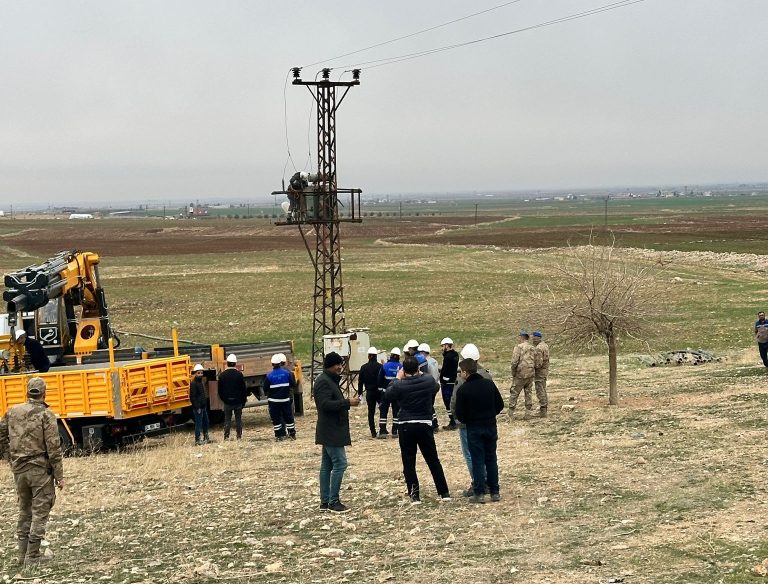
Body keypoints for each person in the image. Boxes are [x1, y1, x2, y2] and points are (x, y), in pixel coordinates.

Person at [0, 377, 64, 566]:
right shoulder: (46, 415)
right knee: (40, 511)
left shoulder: (12, 412)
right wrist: (59, 476)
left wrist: (9, 456)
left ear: (27, 392)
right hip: (40, 470)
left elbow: (1, 435)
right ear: (44, 393)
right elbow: (54, 447)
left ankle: (22, 555)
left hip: (19, 470)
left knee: (24, 511)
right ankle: (33, 556)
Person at [385, 356, 450, 502]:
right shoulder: (427, 381)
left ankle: (415, 496)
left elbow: (388, 394)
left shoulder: (399, 385)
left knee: (409, 461)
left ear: (403, 370)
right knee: (432, 459)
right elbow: (436, 387)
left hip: (406, 424)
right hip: (424, 423)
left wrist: (397, 378)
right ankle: (444, 492)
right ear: (419, 368)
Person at [314, 352, 360, 512]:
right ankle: (333, 501)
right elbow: (325, 404)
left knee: (327, 465)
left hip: (331, 429)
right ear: (330, 365)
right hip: (330, 430)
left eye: (341, 364)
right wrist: (347, 402)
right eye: (337, 364)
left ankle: (325, 502)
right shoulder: (323, 382)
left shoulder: (329, 380)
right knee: (340, 463)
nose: (340, 367)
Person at [454, 358, 504, 504]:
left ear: (465, 372)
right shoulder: (489, 384)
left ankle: (479, 492)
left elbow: (460, 414)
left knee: (477, 460)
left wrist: (470, 418)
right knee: (491, 458)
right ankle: (495, 491)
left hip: (474, 428)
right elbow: (500, 404)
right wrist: (489, 414)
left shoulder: (463, 390)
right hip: (490, 425)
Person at [449, 343, 494, 497]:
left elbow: (454, 401)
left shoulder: (463, 377)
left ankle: (478, 482)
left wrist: (456, 418)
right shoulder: (487, 375)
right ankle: (489, 482)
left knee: (470, 454)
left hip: (467, 423)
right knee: (488, 453)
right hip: (487, 420)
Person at [263, 353, 298, 441]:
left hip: (273, 402)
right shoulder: (287, 373)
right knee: (288, 417)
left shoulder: (269, 376)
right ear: (280, 363)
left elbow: (265, 389)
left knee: (276, 419)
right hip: (285, 400)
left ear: (272, 364)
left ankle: (279, 436)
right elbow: (293, 384)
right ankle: (292, 434)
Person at [217, 353, 247, 440]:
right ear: (235, 363)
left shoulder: (222, 375)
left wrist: (224, 399)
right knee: (238, 420)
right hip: (238, 402)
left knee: (227, 420)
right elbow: (243, 390)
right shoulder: (239, 375)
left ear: (227, 363)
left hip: (227, 402)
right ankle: (239, 436)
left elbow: (220, 390)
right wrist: (243, 401)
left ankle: (226, 436)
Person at [377, 348, 403, 438]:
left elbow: (380, 379)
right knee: (396, 411)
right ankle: (395, 430)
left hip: (385, 393)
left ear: (391, 355)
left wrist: (380, 391)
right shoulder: (401, 366)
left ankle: (382, 430)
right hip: (396, 393)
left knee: (383, 411)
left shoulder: (385, 366)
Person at [509, 331, 536, 418]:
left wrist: (513, 371)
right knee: (528, 392)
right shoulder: (532, 348)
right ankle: (528, 413)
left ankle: (511, 413)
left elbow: (514, 361)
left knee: (514, 392)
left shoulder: (518, 347)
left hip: (520, 374)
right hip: (530, 373)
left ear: (521, 337)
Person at [358, 347, 382, 438]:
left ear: (368, 356)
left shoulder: (363, 367)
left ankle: (373, 432)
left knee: (371, 412)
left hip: (370, 392)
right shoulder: (380, 366)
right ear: (376, 356)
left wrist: (360, 394)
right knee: (382, 411)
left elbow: (360, 382)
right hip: (379, 392)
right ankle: (382, 428)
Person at [418, 343, 441, 431]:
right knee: (431, 404)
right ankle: (433, 423)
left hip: (429, 386)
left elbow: (426, 374)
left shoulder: (425, 363)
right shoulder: (434, 361)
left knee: (429, 405)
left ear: (423, 352)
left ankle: (434, 423)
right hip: (435, 385)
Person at [439, 337, 459, 430]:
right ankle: (455, 420)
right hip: (453, 381)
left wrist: (442, 379)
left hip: (447, 383)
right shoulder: (455, 355)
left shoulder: (448, 357)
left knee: (448, 402)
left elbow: (445, 370)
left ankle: (453, 421)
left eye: (443, 346)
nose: (442, 348)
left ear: (447, 345)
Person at [189, 364, 210, 445]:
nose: (200, 374)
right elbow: (192, 397)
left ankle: (206, 437)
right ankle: (197, 440)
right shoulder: (194, 383)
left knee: (206, 422)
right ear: (195, 373)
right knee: (198, 424)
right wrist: (197, 407)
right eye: (198, 373)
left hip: (203, 407)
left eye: (201, 373)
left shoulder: (201, 382)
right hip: (198, 408)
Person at [532, 331, 550, 417]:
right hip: (545, 371)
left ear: (538, 338)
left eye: (534, 338)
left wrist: (532, 367)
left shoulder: (539, 348)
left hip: (540, 372)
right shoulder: (545, 345)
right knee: (543, 389)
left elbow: (538, 364)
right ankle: (544, 408)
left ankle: (543, 411)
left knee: (540, 390)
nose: (533, 339)